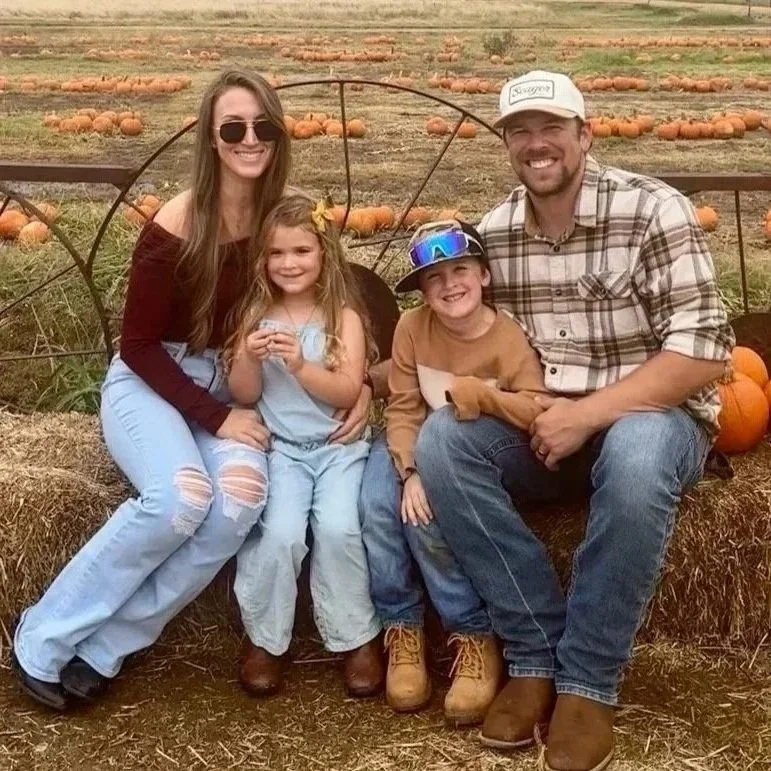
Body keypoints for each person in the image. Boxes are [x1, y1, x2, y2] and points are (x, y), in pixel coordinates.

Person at [358, 69, 735, 770]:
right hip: (539, 423)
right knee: (444, 442)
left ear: (584, 134)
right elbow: (454, 324)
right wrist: (364, 376)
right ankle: (532, 651)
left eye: (551, 128)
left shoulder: (653, 211)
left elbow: (705, 352)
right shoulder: (496, 234)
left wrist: (586, 414)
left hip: (651, 415)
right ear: (507, 144)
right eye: (520, 132)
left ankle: (587, 679)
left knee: (637, 455)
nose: (536, 144)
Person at [12, 69, 290, 711]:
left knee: (239, 501)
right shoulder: (179, 220)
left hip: (232, 380)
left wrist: (362, 384)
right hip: (153, 380)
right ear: (211, 139)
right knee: (180, 500)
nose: (250, 139)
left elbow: (327, 304)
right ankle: (42, 637)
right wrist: (217, 418)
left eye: (263, 127)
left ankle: (108, 647)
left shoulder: (281, 218)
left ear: (279, 134)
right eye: (233, 128)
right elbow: (136, 346)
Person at [360, 219, 548, 726]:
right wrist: (410, 471)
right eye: (434, 278)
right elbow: (402, 407)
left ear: (484, 275)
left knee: (425, 518)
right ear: (422, 291)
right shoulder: (411, 327)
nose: (449, 285)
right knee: (376, 501)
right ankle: (401, 626)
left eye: (460, 270)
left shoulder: (508, 337)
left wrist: (482, 396)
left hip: (474, 451)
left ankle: (472, 632)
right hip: (414, 442)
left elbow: (534, 408)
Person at [227, 193, 383, 698]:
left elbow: (347, 392)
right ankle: (266, 638)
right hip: (284, 451)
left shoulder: (342, 318)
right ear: (262, 260)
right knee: (280, 534)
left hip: (338, 450)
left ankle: (354, 636)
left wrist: (299, 365)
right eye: (276, 253)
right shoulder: (256, 315)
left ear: (324, 254)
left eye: (301, 251)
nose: (288, 263)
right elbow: (243, 394)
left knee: (339, 530)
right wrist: (248, 358)